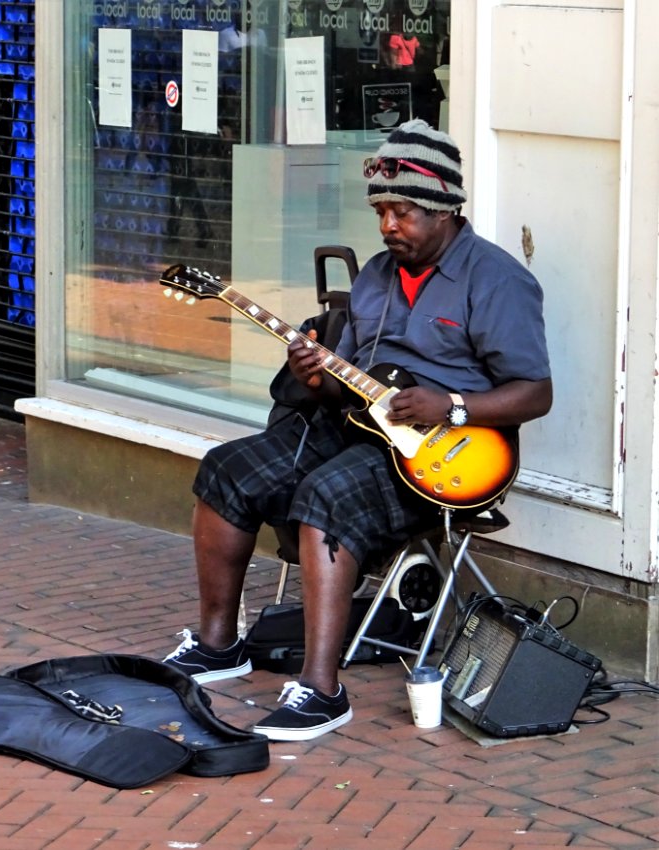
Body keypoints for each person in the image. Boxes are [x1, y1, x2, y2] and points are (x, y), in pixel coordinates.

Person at [162, 119, 553, 742]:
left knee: (326, 496)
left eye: (404, 212)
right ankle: (218, 645)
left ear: (446, 209)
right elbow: (349, 386)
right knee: (226, 468)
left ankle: (322, 690)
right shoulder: (375, 274)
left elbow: (536, 394)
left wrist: (450, 406)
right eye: (382, 212)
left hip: (440, 457)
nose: (389, 226)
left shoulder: (497, 279)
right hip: (360, 427)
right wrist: (313, 374)